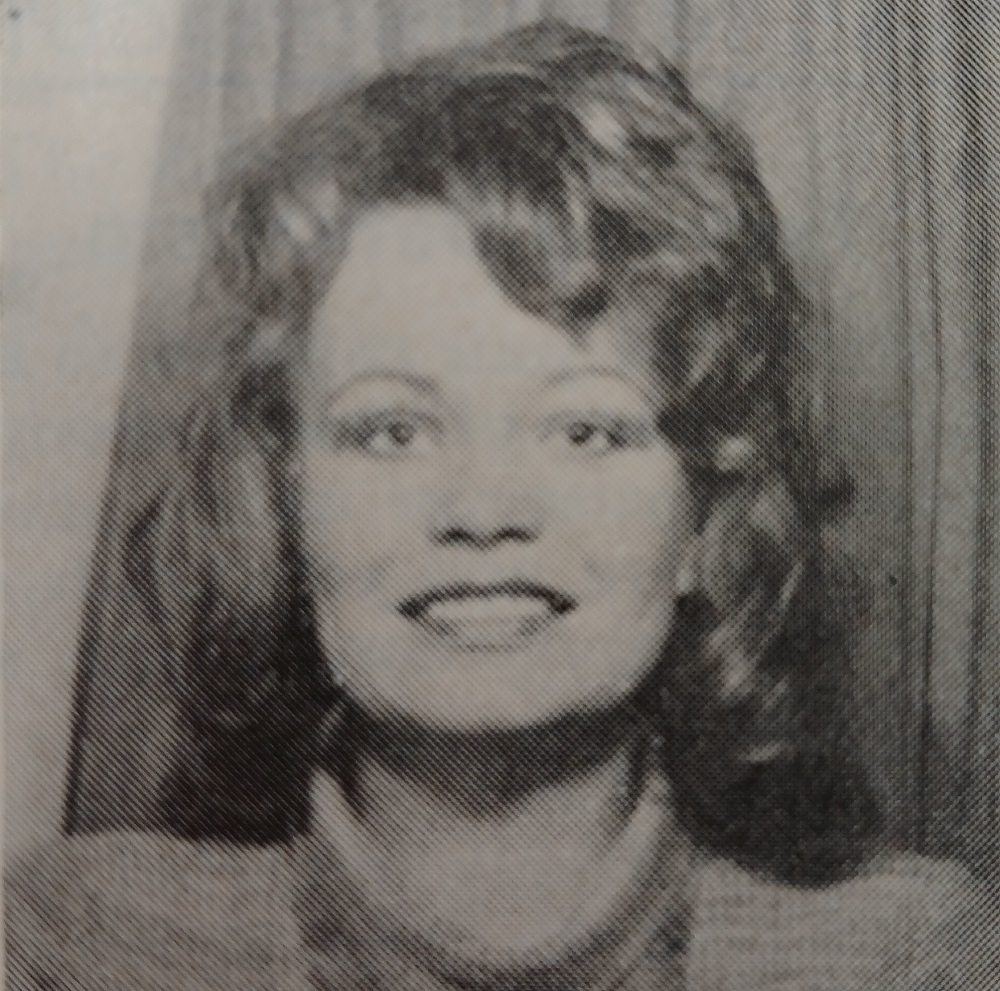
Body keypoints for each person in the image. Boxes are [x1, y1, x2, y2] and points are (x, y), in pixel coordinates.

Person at [7, 19, 995, 991]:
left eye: (583, 432)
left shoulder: (900, 960)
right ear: (284, 502)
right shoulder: (81, 950)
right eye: (392, 429)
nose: (482, 510)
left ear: (706, 514)